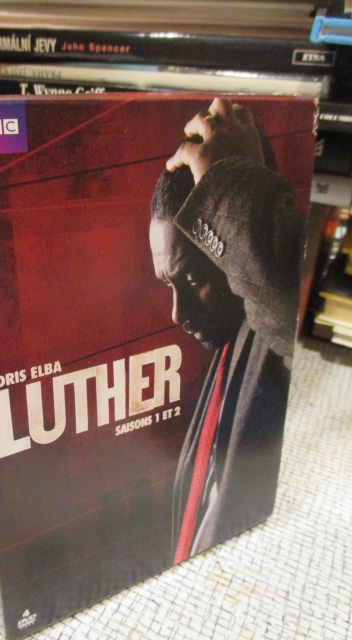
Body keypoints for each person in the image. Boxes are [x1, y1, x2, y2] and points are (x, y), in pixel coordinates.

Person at [149, 98, 305, 563]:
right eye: (169, 284)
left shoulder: (275, 329)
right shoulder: (225, 361)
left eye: (193, 278)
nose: (177, 314)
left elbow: (282, 307)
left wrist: (236, 188)